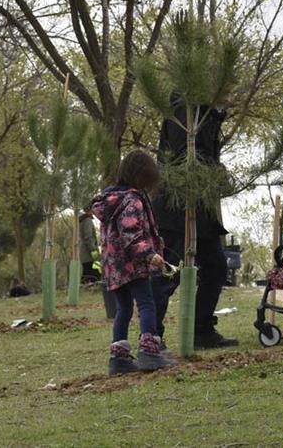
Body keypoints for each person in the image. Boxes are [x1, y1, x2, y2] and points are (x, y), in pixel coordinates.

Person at [150, 95, 237, 349]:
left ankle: (201, 330)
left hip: (200, 207)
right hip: (175, 206)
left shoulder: (207, 113)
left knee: (216, 266)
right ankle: (153, 337)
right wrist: (211, 171)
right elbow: (182, 158)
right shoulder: (184, 109)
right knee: (167, 275)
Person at [92, 150, 175, 375]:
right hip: (133, 264)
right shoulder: (132, 200)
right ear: (141, 177)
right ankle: (149, 352)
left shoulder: (111, 202)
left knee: (124, 308)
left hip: (114, 268)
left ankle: (118, 359)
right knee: (147, 304)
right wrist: (150, 255)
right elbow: (131, 234)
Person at [78, 207, 101, 283]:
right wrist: (94, 250)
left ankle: (85, 289)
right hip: (88, 253)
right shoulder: (87, 220)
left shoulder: (81, 221)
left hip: (84, 253)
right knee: (93, 275)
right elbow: (88, 237)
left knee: (87, 273)